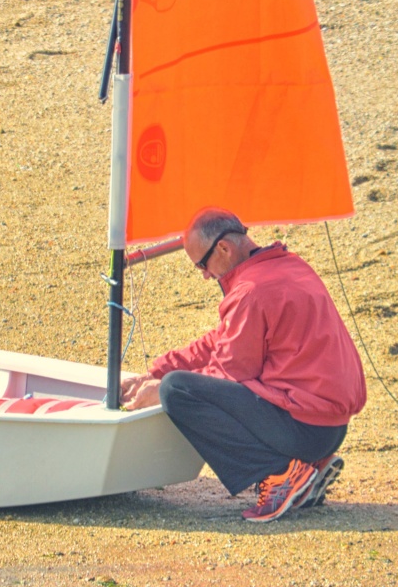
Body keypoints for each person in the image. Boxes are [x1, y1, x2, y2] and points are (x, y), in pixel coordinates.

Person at [121, 207, 366, 522]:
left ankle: (279, 473)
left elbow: (229, 373)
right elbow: (220, 340)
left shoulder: (251, 290)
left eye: (202, 265)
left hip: (305, 428)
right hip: (331, 428)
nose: (206, 275)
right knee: (173, 381)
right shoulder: (288, 265)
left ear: (223, 248)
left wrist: (161, 387)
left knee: (177, 391)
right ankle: (308, 470)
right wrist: (155, 371)